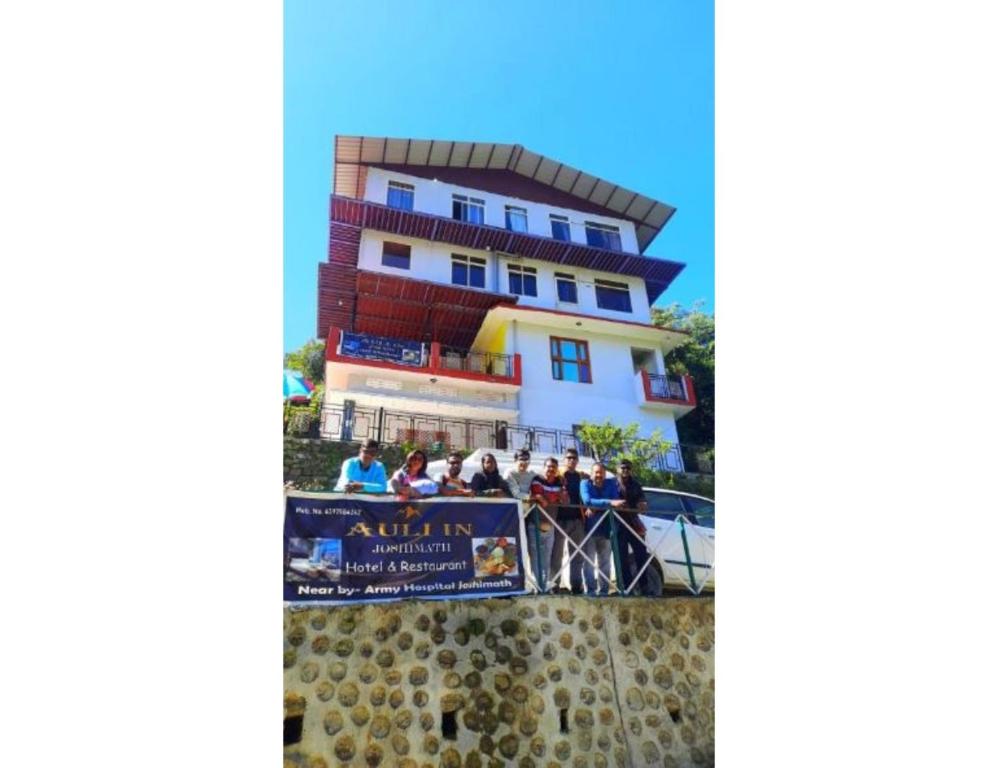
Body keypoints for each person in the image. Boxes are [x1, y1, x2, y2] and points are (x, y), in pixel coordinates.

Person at [579, 461, 621, 596]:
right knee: (589, 562)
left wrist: (596, 506)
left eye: (601, 473)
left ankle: (603, 591)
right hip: (590, 529)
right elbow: (587, 500)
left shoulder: (610, 484)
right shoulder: (584, 483)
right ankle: (590, 591)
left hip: (606, 528)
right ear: (591, 474)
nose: (599, 475)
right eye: (596, 472)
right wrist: (608, 502)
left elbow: (616, 500)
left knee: (605, 562)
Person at [550, 448, 588, 594]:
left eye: (574, 458)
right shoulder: (559, 475)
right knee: (557, 554)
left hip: (577, 520)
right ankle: (554, 584)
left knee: (577, 555)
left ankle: (576, 585)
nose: (571, 460)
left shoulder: (582, 477)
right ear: (564, 460)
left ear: (577, 461)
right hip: (559, 520)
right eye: (569, 458)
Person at [526, 457, 566, 592]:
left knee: (546, 558)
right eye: (548, 466)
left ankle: (544, 586)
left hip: (550, 527)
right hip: (535, 525)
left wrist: (558, 491)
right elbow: (540, 497)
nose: (551, 469)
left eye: (554, 467)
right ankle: (538, 585)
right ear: (544, 467)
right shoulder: (537, 480)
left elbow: (565, 500)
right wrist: (554, 496)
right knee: (535, 558)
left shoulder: (559, 483)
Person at [615, 459, 653, 596]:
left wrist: (642, 504)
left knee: (641, 555)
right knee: (622, 557)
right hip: (619, 523)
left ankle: (644, 586)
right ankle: (627, 587)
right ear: (617, 469)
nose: (625, 470)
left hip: (633, 522)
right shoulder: (612, 484)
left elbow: (642, 501)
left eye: (628, 468)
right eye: (622, 467)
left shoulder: (636, 485)